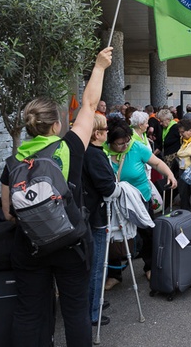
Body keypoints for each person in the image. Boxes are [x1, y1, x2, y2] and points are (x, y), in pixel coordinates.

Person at [0, 46, 112, 347]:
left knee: (28, 312)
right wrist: (99, 66)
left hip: (30, 247)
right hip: (72, 244)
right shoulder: (70, 148)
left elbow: (9, 213)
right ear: (56, 125)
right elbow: (89, 105)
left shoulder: (14, 162)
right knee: (75, 312)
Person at [103, 118, 177, 289]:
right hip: (115, 201)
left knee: (146, 234)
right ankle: (115, 275)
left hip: (140, 199)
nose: (125, 145)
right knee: (114, 237)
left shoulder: (135, 147)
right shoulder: (102, 152)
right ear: (110, 141)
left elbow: (157, 163)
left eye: (126, 141)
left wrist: (170, 174)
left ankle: (150, 267)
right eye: (120, 143)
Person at [82, 114, 114, 327]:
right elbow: (107, 188)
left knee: (93, 264)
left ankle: (94, 303)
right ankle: (92, 312)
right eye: (105, 129)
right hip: (96, 216)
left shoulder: (84, 151)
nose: (108, 132)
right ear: (97, 133)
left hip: (87, 213)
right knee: (96, 266)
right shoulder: (94, 155)